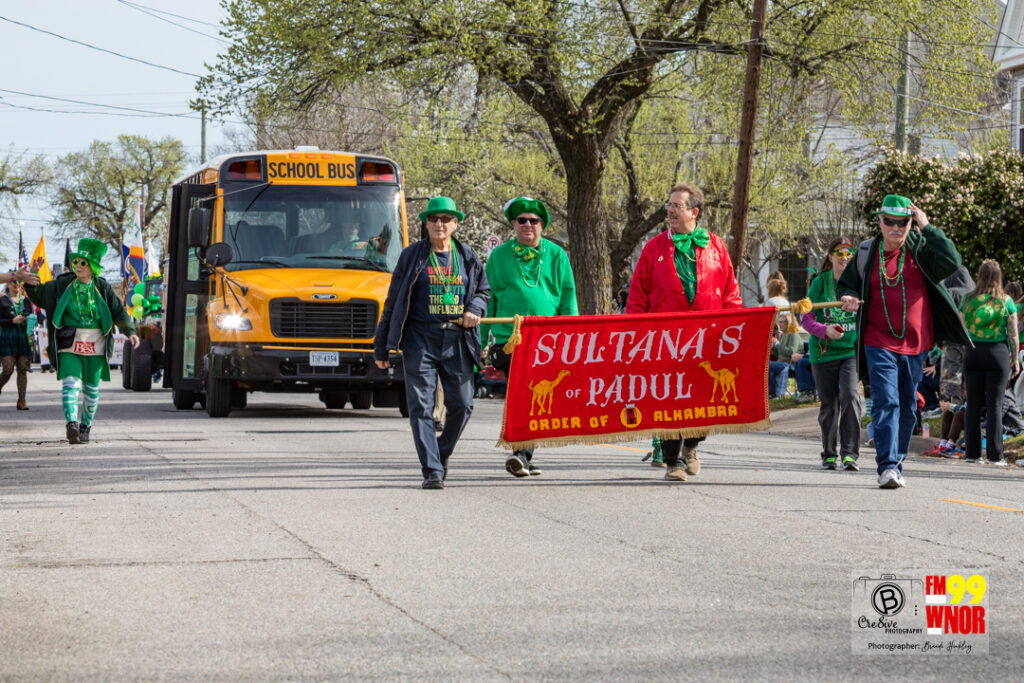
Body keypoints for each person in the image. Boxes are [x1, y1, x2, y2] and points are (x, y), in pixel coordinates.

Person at [838, 194, 971, 489]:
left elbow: (952, 261)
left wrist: (928, 226)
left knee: (909, 406)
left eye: (903, 222)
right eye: (890, 222)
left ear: (911, 223)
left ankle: (897, 462)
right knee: (886, 400)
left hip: (915, 342)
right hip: (877, 339)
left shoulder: (920, 248)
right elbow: (847, 285)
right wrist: (847, 297)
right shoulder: (866, 252)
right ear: (880, 221)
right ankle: (887, 466)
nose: (896, 228)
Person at [627, 182, 742, 481]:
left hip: (709, 338)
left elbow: (730, 293)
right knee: (669, 399)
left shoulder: (716, 246)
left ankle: (692, 445)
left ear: (694, 212)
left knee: (704, 398)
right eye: (669, 205)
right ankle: (672, 461)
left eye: (677, 206)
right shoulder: (654, 248)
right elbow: (637, 295)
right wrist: (635, 333)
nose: (670, 211)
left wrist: (735, 330)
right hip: (665, 340)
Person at [374, 197, 489, 490]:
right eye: (433, 219)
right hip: (420, 339)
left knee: (463, 404)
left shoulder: (467, 256)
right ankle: (432, 470)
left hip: (457, 338)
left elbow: (482, 291)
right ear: (426, 223)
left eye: (445, 219)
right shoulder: (412, 256)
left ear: (455, 224)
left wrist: (474, 308)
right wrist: (381, 345)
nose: (439, 224)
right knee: (421, 407)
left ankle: (439, 452)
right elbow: (393, 300)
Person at [481, 196, 578, 477]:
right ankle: (522, 453)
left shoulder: (557, 255)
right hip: (509, 339)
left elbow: (568, 299)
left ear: (542, 225)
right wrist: (478, 341)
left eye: (533, 220)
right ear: (513, 224)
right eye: (521, 220)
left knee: (531, 396)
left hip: (546, 341)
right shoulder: (498, 257)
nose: (528, 225)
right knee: (522, 391)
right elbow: (487, 300)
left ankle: (524, 454)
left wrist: (570, 339)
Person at [25, 239, 140, 444]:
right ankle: (72, 424)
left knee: (91, 390)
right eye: (76, 261)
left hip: (96, 346)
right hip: (70, 344)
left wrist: (130, 331)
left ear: (93, 267)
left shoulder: (102, 287)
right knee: (70, 384)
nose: (78, 265)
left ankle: (86, 426)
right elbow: (39, 295)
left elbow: (118, 311)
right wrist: (33, 274)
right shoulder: (62, 284)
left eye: (83, 262)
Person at [801, 237, 861, 470]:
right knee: (829, 404)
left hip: (850, 351)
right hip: (823, 353)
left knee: (850, 396)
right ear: (830, 256)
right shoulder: (819, 283)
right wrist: (824, 330)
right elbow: (807, 319)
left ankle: (850, 454)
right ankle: (828, 454)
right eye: (839, 254)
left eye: (849, 254)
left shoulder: (858, 282)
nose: (844, 258)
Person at [958, 259, 1019, 465]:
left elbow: (961, 328)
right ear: (999, 277)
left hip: (972, 352)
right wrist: (1015, 359)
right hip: (997, 353)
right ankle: (995, 455)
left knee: (973, 404)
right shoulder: (1006, 301)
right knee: (995, 405)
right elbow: (1013, 334)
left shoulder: (967, 299)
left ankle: (972, 453)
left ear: (979, 276)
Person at [0, 279, 36, 409]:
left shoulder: (26, 300)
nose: (16, 285)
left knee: (22, 368)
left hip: (23, 337)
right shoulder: (2, 300)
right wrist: (12, 321)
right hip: (7, 337)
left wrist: (28, 318)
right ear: (8, 285)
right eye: (13, 283)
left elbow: (31, 315)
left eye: (18, 283)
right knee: (8, 369)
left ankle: (22, 400)